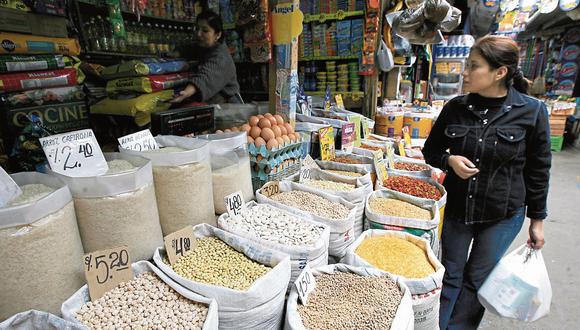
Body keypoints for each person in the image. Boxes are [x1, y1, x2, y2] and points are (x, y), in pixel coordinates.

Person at [422, 35, 551, 329]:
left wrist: (537, 220)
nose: (464, 73)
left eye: (473, 66)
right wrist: (449, 161)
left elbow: (539, 169)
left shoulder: (531, 112)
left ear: (500, 72)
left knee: (477, 279)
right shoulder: (455, 107)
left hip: (502, 213)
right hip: (458, 206)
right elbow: (432, 151)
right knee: (450, 273)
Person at [171, 10, 242, 104]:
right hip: (213, 101)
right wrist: (175, 53)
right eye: (196, 29)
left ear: (217, 35)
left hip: (227, 105)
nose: (198, 34)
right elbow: (188, 49)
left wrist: (186, 93)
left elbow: (206, 77)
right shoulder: (203, 47)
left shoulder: (221, 56)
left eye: (205, 30)